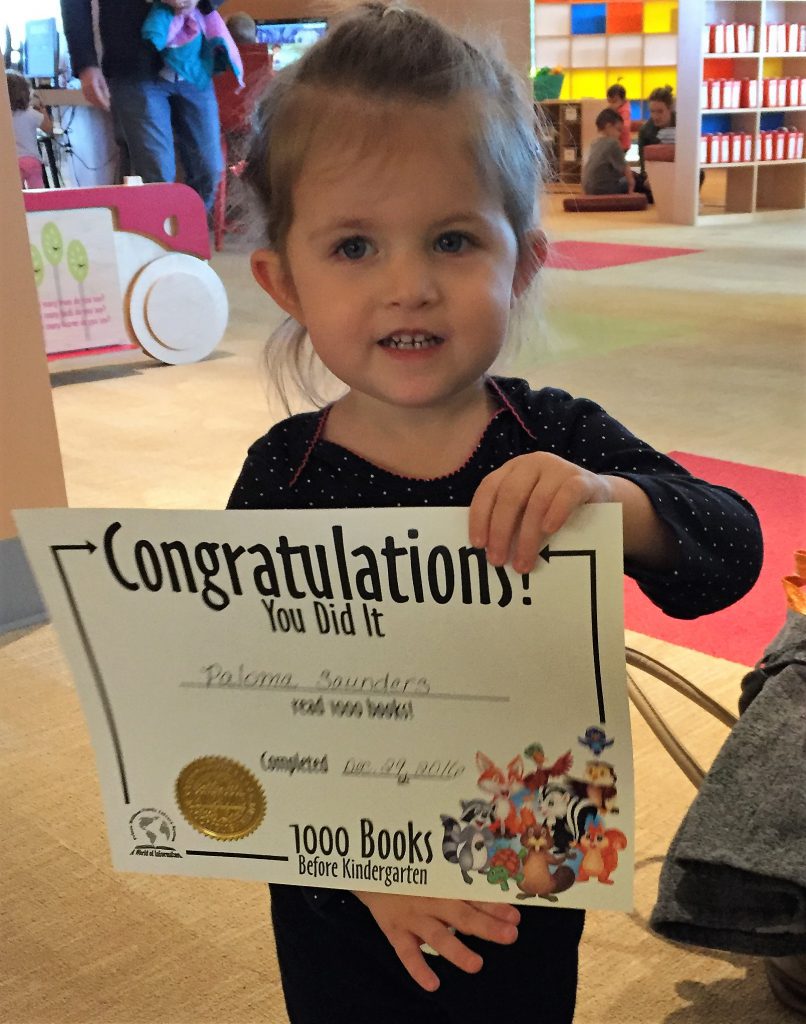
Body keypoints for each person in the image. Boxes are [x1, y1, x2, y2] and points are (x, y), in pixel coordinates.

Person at [227, 4, 763, 1022]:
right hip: (346, 909)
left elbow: (731, 549)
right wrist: (356, 867)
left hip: (520, 882)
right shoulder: (281, 478)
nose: (408, 286)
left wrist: (615, 503)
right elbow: (244, 714)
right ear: (281, 280)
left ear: (519, 261)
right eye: (352, 247)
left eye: (450, 239)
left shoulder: (551, 439)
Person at [60, 0, 225, 211]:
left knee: (209, 171)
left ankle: (186, 238)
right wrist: (85, 63)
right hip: (132, 63)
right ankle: (163, 241)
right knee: (156, 176)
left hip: (193, 63)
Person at [7, 70, 53, 189]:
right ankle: (40, 206)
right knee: (37, 190)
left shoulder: (4, 117)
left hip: (13, 162)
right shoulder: (31, 114)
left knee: (18, 194)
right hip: (32, 160)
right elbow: (48, 128)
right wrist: (43, 111)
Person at [582, 108, 635, 195]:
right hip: (605, 190)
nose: (620, 134)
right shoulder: (613, 142)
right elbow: (626, 169)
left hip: (589, 190)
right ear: (609, 126)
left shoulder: (594, 143)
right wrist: (631, 191)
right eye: (618, 130)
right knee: (635, 179)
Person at [637, 85, 676, 175]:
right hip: (655, 174)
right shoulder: (645, 131)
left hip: (679, 173)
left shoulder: (683, 126)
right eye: (652, 111)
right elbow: (643, 164)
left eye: (660, 111)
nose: (655, 116)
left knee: (699, 174)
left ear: (670, 109)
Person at [606, 82, 632, 153]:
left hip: (622, 144)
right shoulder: (616, 108)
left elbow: (625, 127)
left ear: (623, 100)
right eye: (609, 101)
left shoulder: (624, 111)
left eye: (614, 102)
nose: (611, 105)